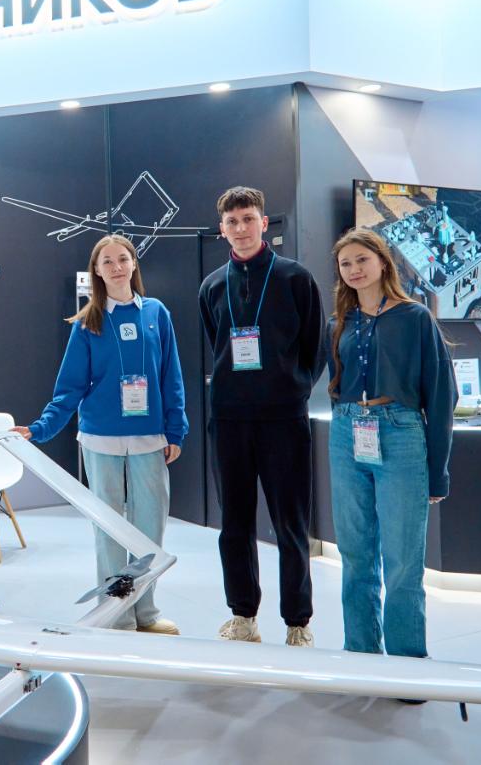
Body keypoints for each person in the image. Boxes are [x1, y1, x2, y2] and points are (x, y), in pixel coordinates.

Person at [12, 234, 188, 634]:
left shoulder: (156, 313)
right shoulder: (88, 321)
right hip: (100, 440)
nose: (116, 267)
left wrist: (176, 430)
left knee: (149, 531)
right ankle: (116, 615)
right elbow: (69, 387)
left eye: (122, 259)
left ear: (134, 263)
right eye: (106, 261)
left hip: (149, 439)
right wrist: (40, 428)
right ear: (97, 270)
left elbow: (171, 376)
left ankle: (146, 612)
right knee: (108, 531)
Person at [198, 186, 326, 647]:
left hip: (283, 420)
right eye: (232, 222)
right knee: (234, 524)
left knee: (290, 523)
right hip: (229, 420)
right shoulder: (212, 286)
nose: (241, 228)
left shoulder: (295, 278)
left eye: (248, 219)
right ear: (222, 229)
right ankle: (243, 616)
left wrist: (291, 388)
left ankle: (297, 621)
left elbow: (315, 346)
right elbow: (216, 342)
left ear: (264, 223)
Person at [326, 227, 456, 677]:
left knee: (402, 559)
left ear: (383, 262)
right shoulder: (340, 323)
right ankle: (361, 655)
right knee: (355, 553)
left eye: (362, 259)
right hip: (347, 432)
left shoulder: (415, 317)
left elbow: (441, 395)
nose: (354, 269)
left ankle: (407, 663)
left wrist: (437, 472)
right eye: (345, 264)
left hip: (400, 433)